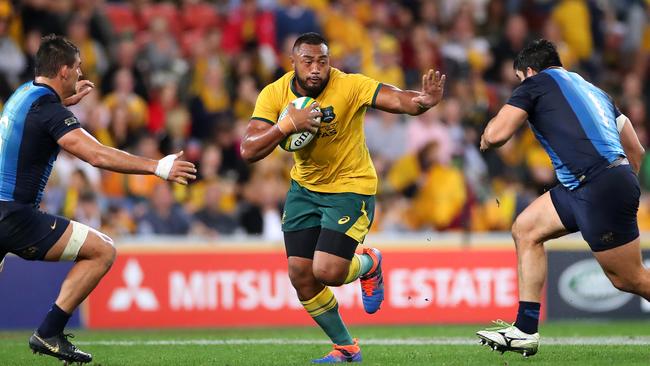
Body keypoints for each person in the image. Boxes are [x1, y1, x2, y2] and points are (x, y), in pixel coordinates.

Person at [240, 32, 445, 363]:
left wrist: (423, 101)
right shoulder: (274, 94)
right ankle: (347, 348)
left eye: (322, 61)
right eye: (307, 61)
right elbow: (248, 149)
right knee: (300, 276)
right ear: (292, 63)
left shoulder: (350, 86)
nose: (316, 68)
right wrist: (286, 125)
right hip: (305, 190)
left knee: (328, 271)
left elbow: (398, 99)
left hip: (351, 188)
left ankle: (369, 262)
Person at [0, 35, 196, 364]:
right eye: (77, 68)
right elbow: (96, 155)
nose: (80, 74)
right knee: (102, 250)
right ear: (63, 71)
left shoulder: (25, 93)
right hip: (13, 216)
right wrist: (157, 166)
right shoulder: (47, 109)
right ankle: (49, 332)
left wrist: (63, 103)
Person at [476, 39, 647, 357]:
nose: (519, 85)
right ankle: (525, 330)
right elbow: (636, 151)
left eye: (518, 79)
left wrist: (485, 138)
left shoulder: (535, 83)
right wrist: (621, 183)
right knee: (526, 229)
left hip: (596, 186)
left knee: (629, 280)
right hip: (590, 185)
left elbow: (497, 135)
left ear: (528, 71)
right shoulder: (596, 92)